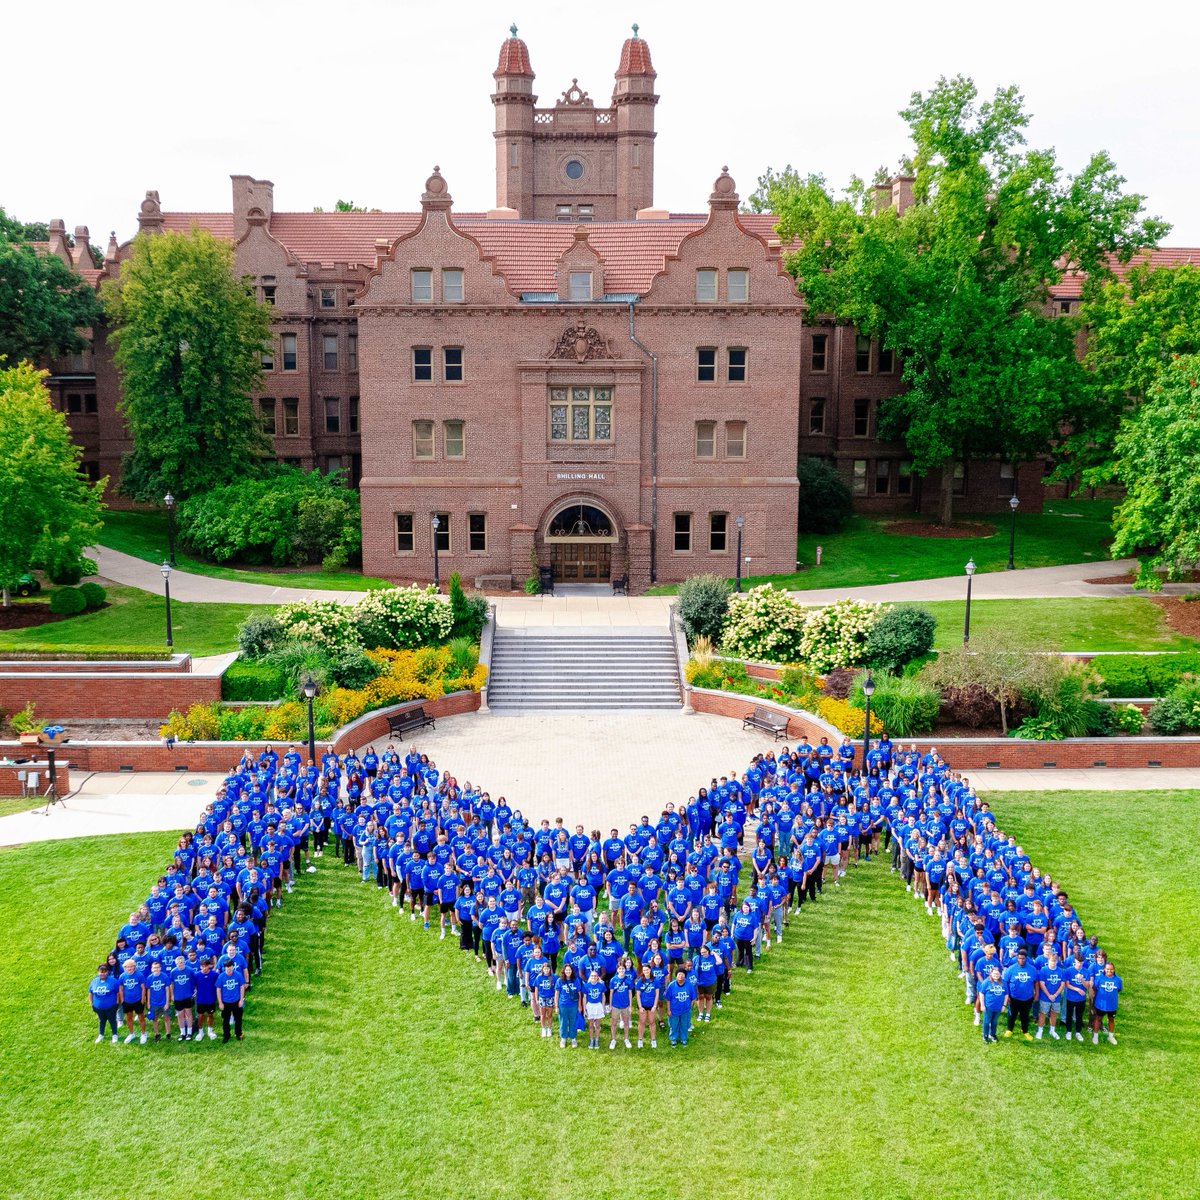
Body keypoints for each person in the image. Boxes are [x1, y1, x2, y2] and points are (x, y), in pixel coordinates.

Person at [1091, 960, 1122, 1045]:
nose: (1109, 971)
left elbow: (1119, 989)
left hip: (1112, 1004)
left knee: (1111, 1019)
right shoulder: (1099, 978)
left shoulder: (1118, 979)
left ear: (1114, 970)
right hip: (1100, 1004)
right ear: (1104, 969)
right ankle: (1095, 1036)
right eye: (1107, 969)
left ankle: (1110, 1036)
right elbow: (1094, 987)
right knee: (1098, 1018)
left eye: (1111, 969)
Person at [88, 962, 121, 1044]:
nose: (102, 974)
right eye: (101, 972)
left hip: (111, 1006)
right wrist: (91, 1003)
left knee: (112, 1020)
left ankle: (114, 1035)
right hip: (98, 1007)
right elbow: (90, 993)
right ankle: (101, 1034)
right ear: (98, 972)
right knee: (101, 1020)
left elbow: (118, 993)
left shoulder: (113, 981)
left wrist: (117, 1003)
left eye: (104, 972)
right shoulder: (94, 981)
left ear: (107, 972)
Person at [118, 958, 148, 1045]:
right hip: (127, 1001)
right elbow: (121, 989)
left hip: (138, 1000)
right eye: (127, 967)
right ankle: (131, 1033)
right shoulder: (122, 976)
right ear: (125, 968)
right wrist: (122, 1000)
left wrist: (143, 999)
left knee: (141, 1017)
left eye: (131, 966)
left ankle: (143, 1033)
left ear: (134, 967)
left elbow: (143, 988)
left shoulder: (139, 975)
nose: (129, 968)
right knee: (129, 1017)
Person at [664, 967, 696, 1047]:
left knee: (684, 1025)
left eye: (682, 974)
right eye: (679, 974)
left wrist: (689, 1007)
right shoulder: (671, 985)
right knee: (673, 1025)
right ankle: (673, 1039)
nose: (681, 976)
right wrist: (668, 1010)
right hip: (674, 1010)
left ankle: (683, 1038)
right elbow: (668, 999)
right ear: (676, 976)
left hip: (685, 1010)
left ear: (685, 976)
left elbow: (693, 997)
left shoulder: (689, 985)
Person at [217, 959, 246, 1042]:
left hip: (236, 1001)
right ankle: (226, 1036)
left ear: (233, 966)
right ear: (224, 968)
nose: (228, 968)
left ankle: (239, 1034)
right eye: (226, 967)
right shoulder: (221, 976)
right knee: (225, 1020)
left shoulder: (238, 975)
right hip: (225, 1002)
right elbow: (218, 989)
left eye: (230, 966)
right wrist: (220, 1003)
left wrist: (241, 1000)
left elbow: (242, 987)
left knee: (238, 1019)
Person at [555, 963, 582, 1049]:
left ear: (572, 971)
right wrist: (556, 1006)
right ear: (564, 971)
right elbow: (556, 994)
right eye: (566, 970)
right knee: (563, 1021)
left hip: (573, 1005)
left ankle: (573, 1038)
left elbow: (579, 993)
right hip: (563, 1005)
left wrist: (580, 1005)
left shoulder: (576, 980)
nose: (568, 971)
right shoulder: (560, 980)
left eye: (569, 970)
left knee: (573, 1021)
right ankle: (563, 1038)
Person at [608, 962, 633, 1050]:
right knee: (614, 1023)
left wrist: (630, 1006)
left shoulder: (628, 980)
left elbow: (630, 993)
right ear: (617, 970)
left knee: (626, 1022)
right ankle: (613, 1039)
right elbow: (611, 993)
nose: (621, 970)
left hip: (625, 1005)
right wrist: (610, 1005)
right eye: (620, 969)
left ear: (625, 969)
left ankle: (626, 1038)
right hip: (615, 1005)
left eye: (623, 968)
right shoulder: (613, 980)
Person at [193, 957, 219, 1041]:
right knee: (200, 1016)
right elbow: (194, 986)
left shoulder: (214, 974)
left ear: (209, 966)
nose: (204, 968)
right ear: (200, 967)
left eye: (206, 966)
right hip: (200, 999)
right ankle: (200, 1032)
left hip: (211, 999)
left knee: (210, 1015)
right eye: (202, 966)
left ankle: (210, 1031)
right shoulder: (196, 975)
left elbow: (218, 985)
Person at [979, 964, 1006, 1044]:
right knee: (986, 1021)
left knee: (994, 1021)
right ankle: (985, 1035)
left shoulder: (1003, 983)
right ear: (991, 973)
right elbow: (981, 993)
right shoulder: (986, 982)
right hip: (988, 1006)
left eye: (997, 974)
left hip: (998, 1007)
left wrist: (1004, 1005)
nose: (996, 975)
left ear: (1000, 974)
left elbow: (1006, 994)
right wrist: (982, 1005)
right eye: (994, 974)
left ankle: (993, 1034)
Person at [635, 963, 660, 1049]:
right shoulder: (640, 981)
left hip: (652, 1005)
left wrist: (655, 1006)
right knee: (641, 1022)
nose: (646, 971)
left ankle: (653, 1040)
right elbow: (638, 995)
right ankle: (640, 1039)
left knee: (652, 1022)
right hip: (642, 1005)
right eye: (644, 970)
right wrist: (640, 1006)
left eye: (647, 970)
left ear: (650, 970)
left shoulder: (655, 980)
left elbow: (657, 994)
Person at [582, 969, 607, 1050]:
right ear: (590, 977)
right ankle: (591, 1040)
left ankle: (596, 1040)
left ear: (597, 977)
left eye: (595, 976)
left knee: (597, 1025)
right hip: (590, 1005)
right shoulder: (586, 985)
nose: (594, 977)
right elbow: (584, 997)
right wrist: (584, 1009)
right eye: (592, 976)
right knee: (590, 1025)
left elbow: (603, 996)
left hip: (598, 1005)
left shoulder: (601, 985)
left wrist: (603, 1006)